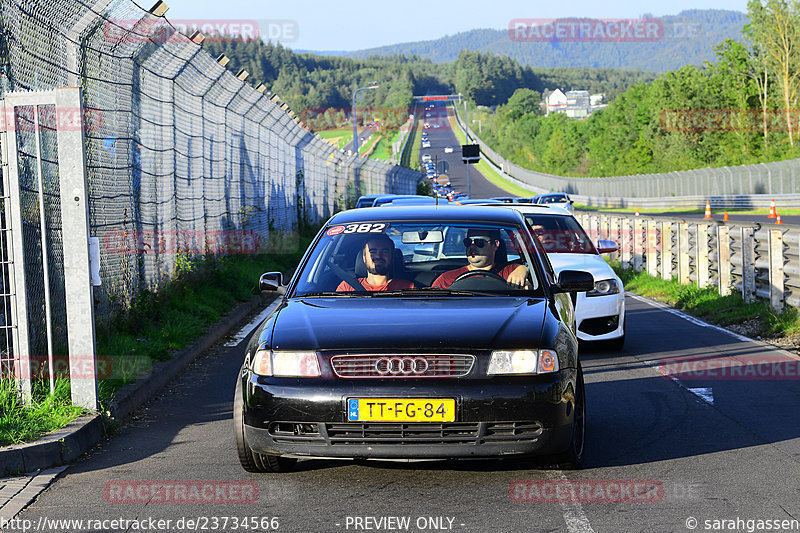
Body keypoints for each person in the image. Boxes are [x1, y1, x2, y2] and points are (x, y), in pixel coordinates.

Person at [432, 229, 529, 289]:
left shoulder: (512, 272)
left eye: (479, 242)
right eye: (468, 242)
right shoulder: (446, 279)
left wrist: (523, 270)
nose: (472, 246)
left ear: (495, 245)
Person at [336, 234, 415, 292]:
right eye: (372, 252)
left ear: (392, 256)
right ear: (364, 257)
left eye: (384, 252)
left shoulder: (407, 288)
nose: (378, 256)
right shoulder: (347, 287)